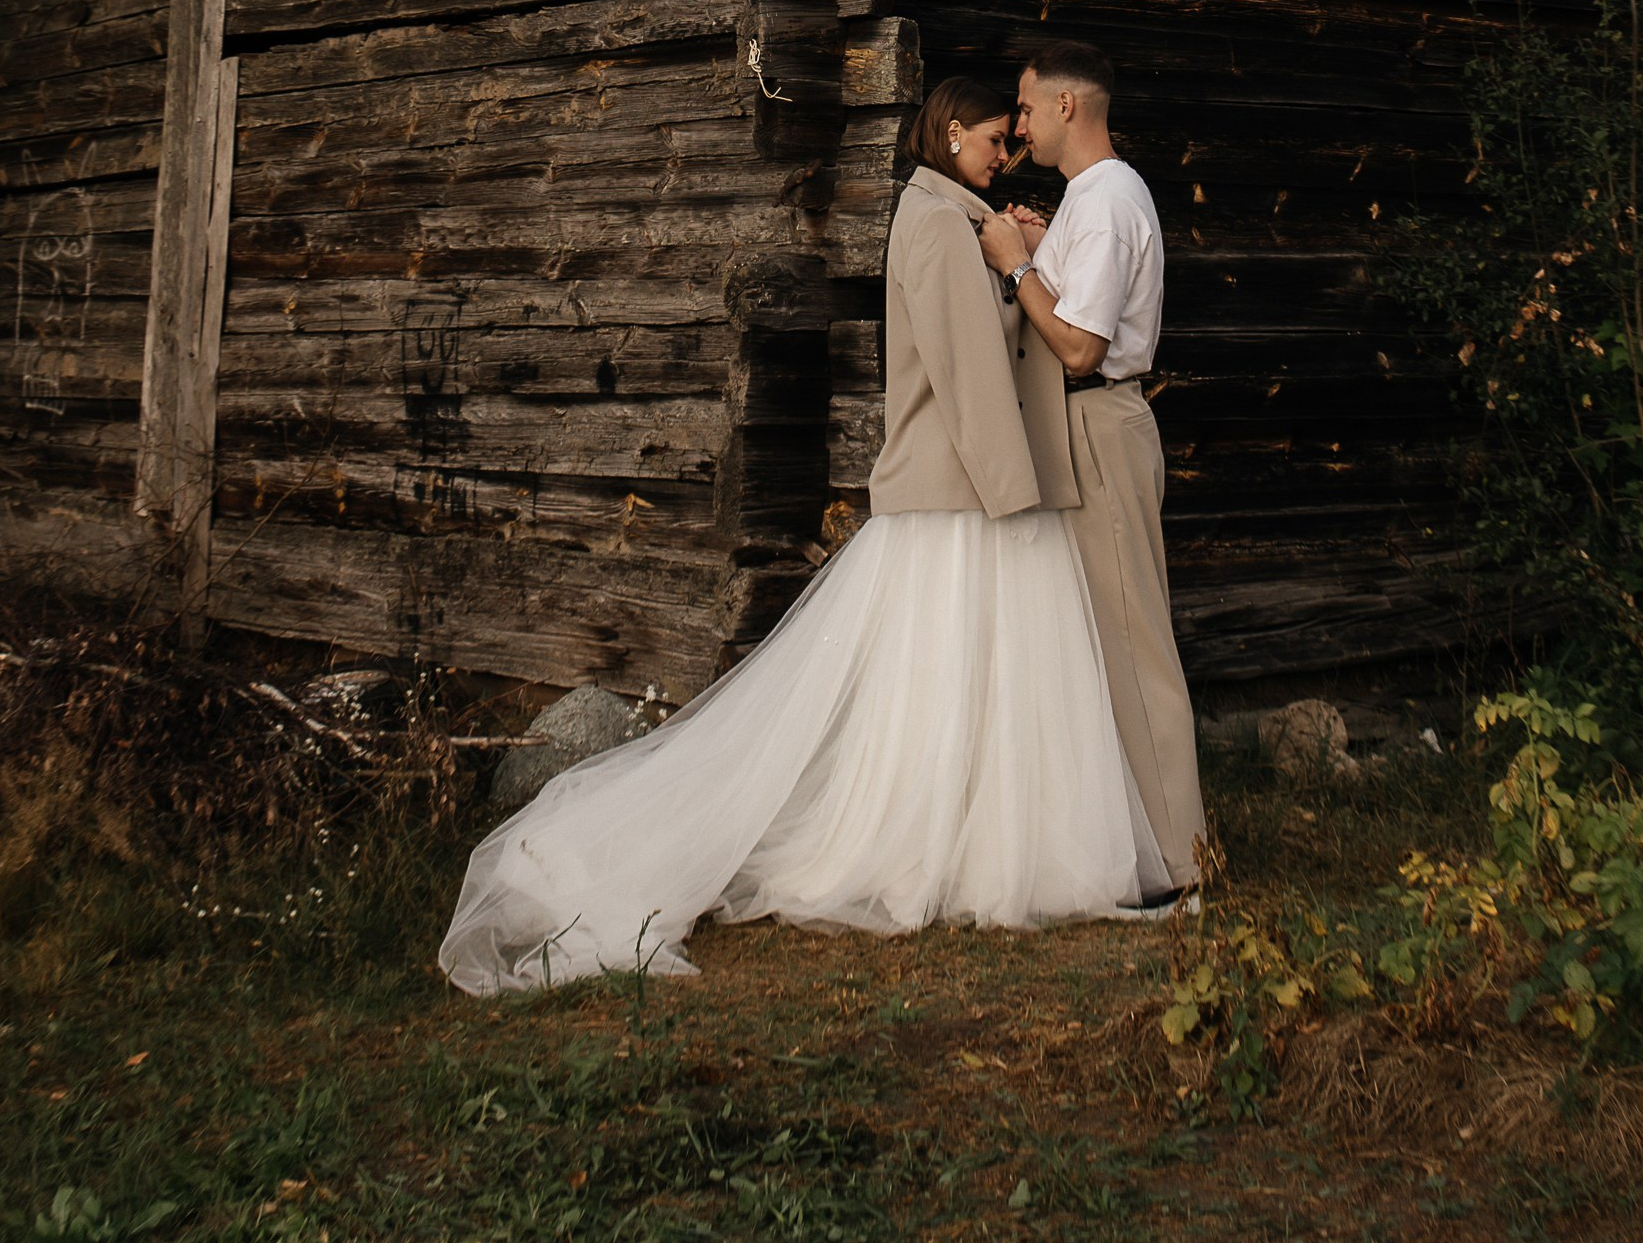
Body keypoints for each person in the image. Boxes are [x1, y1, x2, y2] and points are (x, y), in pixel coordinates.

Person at [438, 73, 1170, 993]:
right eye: (994, 139)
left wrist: (1014, 252)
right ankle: (939, 843)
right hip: (967, 493)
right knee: (948, 678)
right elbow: (968, 373)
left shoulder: (952, 218)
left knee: (963, 680)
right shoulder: (938, 224)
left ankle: (974, 835)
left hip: (968, 490)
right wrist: (1013, 490)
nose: (1005, 153)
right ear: (951, 137)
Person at [976, 40, 1206, 897]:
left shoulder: (1107, 201)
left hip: (1100, 424)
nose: (1019, 126)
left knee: (1132, 642)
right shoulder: (1090, 199)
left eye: (1026, 108)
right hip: (1084, 427)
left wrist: (1017, 265)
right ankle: (1133, 847)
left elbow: (1079, 347)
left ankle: (1179, 865)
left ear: (1067, 105)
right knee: (1101, 642)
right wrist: (1046, 249)